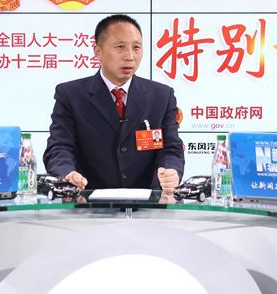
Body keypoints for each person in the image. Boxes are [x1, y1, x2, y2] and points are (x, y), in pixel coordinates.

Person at [43, 14, 184, 191]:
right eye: (120, 47)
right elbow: (59, 147)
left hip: (148, 201)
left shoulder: (162, 96)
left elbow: (171, 148)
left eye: (136, 47)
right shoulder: (71, 95)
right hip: (87, 200)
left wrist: (171, 170)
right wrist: (67, 173)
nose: (130, 56)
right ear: (98, 52)